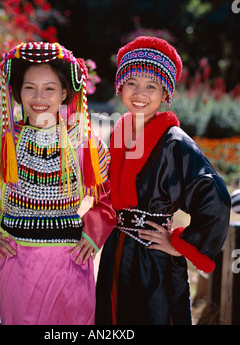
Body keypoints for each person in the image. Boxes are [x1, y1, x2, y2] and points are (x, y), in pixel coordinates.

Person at [0, 41, 116, 325]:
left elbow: (112, 193)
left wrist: (93, 232)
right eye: (29, 87)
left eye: (50, 88)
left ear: (65, 92)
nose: (39, 97)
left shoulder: (84, 144)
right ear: (17, 92)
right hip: (18, 264)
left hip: (70, 264)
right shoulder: (0, 144)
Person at [95, 36, 231, 325]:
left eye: (151, 86)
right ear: (120, 86)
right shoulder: (119, 132)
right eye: (131, 83)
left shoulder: (175, 142)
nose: (139, 93)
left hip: (153, 256)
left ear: (165, 93)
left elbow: (214, 195)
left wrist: (180, 243)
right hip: (117, 250)